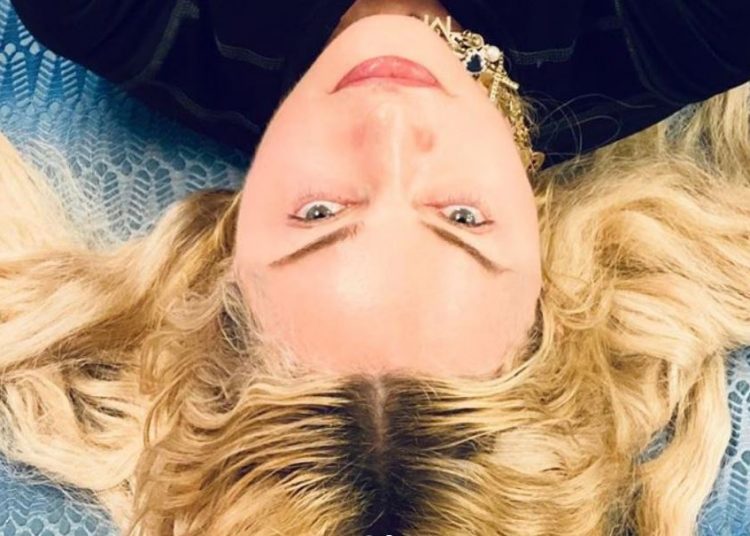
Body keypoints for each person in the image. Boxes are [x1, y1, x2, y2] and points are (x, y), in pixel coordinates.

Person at [0, 2, 749, 535]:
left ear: (223, 249)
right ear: (550, 274)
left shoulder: (111, 13)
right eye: (462, 218)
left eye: (319, 212)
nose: (389, 128)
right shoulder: (694, 28)